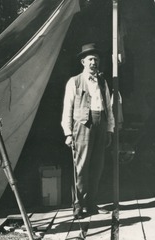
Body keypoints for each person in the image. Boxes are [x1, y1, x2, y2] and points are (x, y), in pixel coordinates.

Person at [61, 43, 115, 218]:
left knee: (97, 165)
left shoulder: (102, 82)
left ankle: (91, 203)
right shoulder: (74, 82)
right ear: (83, 62)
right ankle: (78, 205)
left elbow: (109, 106)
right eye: (91, 59)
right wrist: (68, 133)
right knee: (81, 166)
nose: (94, 62)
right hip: (83, 126)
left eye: (97, 60)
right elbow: (67, 108)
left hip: (101, 125)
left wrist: (109, 129)